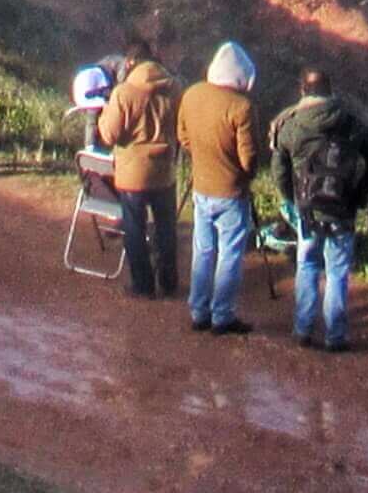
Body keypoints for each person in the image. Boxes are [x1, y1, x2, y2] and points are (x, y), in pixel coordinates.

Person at [268, 66, 368, 353]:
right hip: (342, 209)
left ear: (303, 91)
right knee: (337, 272)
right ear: (330, 91)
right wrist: (359, 194)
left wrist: (291, 200)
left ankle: (303, 329)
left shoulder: (292, 126)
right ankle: (336, 335)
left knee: (307, 265)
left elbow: (279, 170)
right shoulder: (352, 123)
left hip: (307, 210)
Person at [176, 42, 262, 334]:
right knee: (229, 254)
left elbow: (183, 137)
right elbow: (248, 157)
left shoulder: (192, 94)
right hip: (231, 192)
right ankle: (222, 315)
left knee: (203, 251)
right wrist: (246, 174)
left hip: (201, 186)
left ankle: (199, 311)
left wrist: (203, 158)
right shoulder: (242, 107)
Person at [95, 42, 183, 300]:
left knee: (134, 228)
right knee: (166, 229)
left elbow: (109, 135)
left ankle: (143, 285)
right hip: (165, 169)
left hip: (133, 173)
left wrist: (103, 114)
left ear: (131, 63)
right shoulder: (174, 88)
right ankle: (169, 282)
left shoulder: (124, 93)